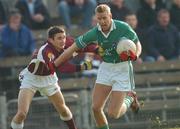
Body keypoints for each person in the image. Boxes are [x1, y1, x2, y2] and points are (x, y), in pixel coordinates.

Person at [53, 4, 142, 129]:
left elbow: (137, 44)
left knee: (113, 113)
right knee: (95, 108)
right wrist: (55, 64)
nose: (102, 21)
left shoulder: (123, 27)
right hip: (106, 67)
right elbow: (72, 49)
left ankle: (130, 98)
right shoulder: (94, 32)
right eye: (99, 19)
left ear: (110, 16)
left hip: (122, 68)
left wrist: (136, 55)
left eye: (105, 18)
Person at [10, 26, 97, 129]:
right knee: (22, 114)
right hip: (31, 79)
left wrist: (98, 50)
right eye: (59, 38)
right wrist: (83, 67)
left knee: (63, 110)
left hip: (48, 78)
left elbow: (83, 46)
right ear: (51, 40)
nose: (63, 40)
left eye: (64, 37)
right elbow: (63, 68)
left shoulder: (67, 41)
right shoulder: (46, 51)